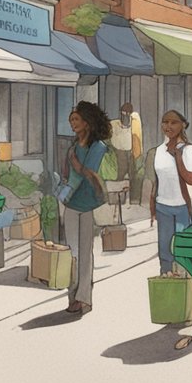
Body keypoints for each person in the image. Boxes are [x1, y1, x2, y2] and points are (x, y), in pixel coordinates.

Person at [144, 111, 192, 349]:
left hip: (182, 207)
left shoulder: (188, 151)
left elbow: (190, 179)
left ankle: (189, 308)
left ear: (182, 126)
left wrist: (177, 157)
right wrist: (152, 202)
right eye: (165, 122)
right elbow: (158, 179)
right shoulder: (158, 150)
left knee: (183, 256)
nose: (168, 126)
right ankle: (172, 307)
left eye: (173, 122)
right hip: (163, 206)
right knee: (165, 256)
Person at [58, 101, 111, 315]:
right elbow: (66, 172)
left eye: (76, 120)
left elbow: (88, 172)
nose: (72, 124)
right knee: (72, 253)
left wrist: (75, 163)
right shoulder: (73, 146)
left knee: (85, 253)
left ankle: (84, 298)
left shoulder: (97, 147)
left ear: (87, 123)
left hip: (88, 203)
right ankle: (73, 297)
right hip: (71, 202)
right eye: (71, 120)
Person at [110, 103, 143, 204]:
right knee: (119, 175)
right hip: (118, 152)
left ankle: (134, 200)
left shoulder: (135, 124)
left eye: (127, 115)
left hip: (131, 152)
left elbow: (138, 140)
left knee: (136, 174)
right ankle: (117, 200)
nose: (125, 117)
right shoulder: (114, 124)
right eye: (123, 114)